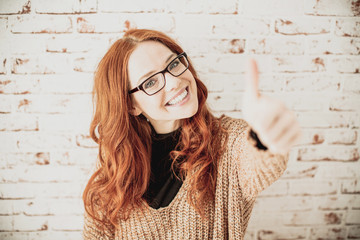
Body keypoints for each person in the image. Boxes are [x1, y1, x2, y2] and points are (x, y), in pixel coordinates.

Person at [82, 28, 301, 239]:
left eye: (174, 63)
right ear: (131, 105)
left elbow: (257, 165)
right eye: (151, 81)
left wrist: (264, 138)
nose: (175, 81)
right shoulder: (112, 172)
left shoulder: (229, 141)